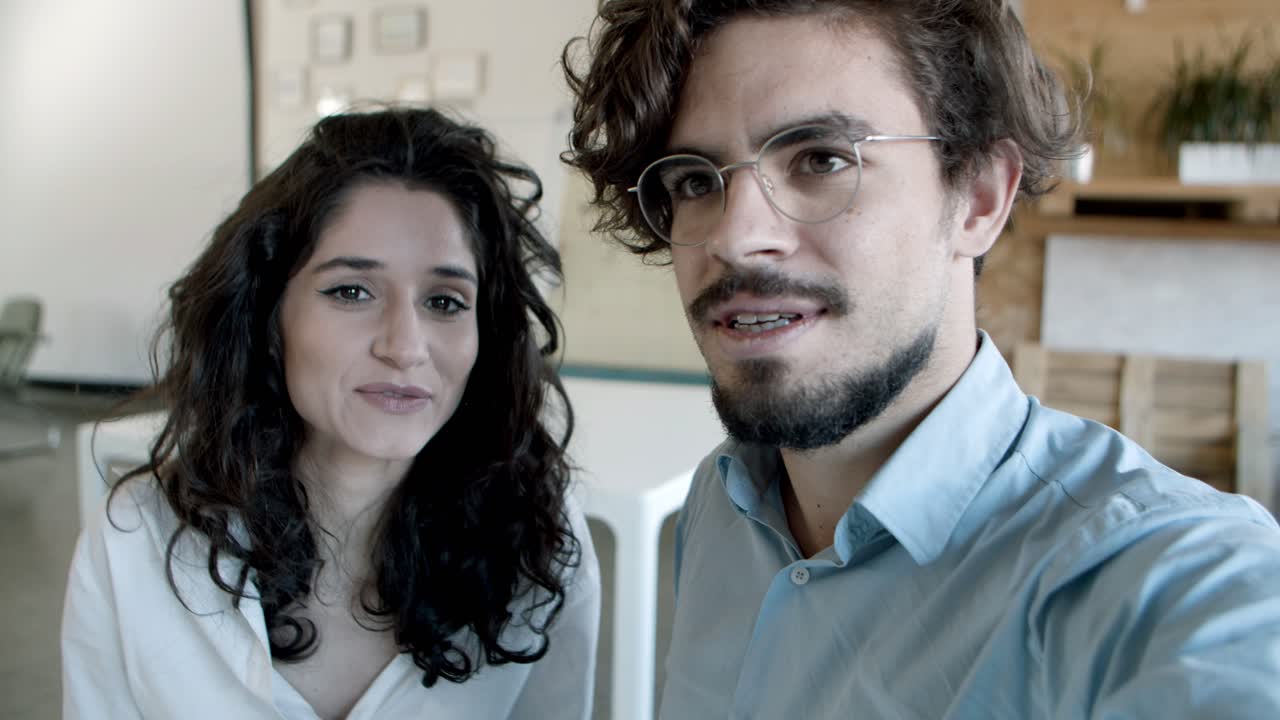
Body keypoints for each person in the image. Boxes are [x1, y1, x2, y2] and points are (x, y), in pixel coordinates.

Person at [561, 1, 1280, 717]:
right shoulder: (722, 503)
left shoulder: (1160, 578)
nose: (734, 237)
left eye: (822, 159)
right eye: (694, 181)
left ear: (978, 197)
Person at [62, 107, 600, 719]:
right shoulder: (133, 542)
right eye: (351, 291)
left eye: (445, 301)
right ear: (269, 317)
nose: (405, 346)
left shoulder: (539, 541)